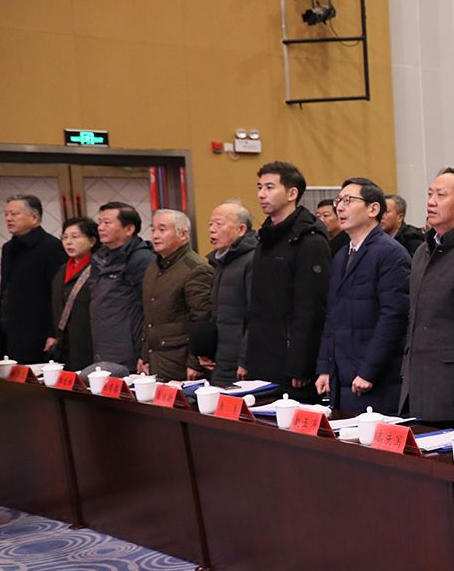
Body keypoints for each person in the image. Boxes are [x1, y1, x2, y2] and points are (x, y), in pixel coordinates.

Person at [316, 178, 411, 414]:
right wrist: (325, 368)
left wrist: (369, 371)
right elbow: (332, 316)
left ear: (373, 209)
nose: (340, 207)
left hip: (376, 379)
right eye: (339, 201)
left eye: (348, 200)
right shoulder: (341, 256)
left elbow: (393, 317)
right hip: (342, 376)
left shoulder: (390, 254)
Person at [402, 168, 454, 424]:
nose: (431, 202)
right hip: (416, 381)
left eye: (440, 195)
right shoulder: (423, 251)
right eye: (430, 194)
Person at [242, 161, 331, 401]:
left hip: (291, 362)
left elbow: (311, 308)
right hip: (262, 354)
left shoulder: (309, 240)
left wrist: (301, 364)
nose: (261, 194)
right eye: (259, 187)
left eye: (270, 187)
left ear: (292, 193)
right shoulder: (265, 237)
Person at [139, 209, 213, 380]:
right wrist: (144, 356)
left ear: (183, 234)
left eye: (162, 229)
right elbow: (149, 318)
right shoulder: (153, 267)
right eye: (153, 229)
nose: (155, 235)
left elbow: (202, 318)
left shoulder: (196, 268)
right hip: (155, 357)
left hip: (180, 360)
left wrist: (194, 363)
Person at [0, 194, 66, 362]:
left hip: (38, 330)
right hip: (9, 327)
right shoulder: (8, 248)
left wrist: (53, 332)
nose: (8, 218)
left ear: (34, 217)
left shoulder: (51, 246)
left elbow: (59, 293)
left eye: (14, 214)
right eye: (6, 214)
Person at [89, 201, 154, 368]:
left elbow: (150, 307)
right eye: (100, 222)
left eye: (107, 222)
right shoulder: (100, 257)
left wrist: (145, 353)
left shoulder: (141, 258)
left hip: (129, 345)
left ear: (129, 229)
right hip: (104, 342)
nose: (101, 228)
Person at [202, 200, 257, 385]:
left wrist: (245, 360)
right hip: (220, 359)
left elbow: (255, 314)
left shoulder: (252, 260)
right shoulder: (220, 262)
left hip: (240, 363)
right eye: (210, 224)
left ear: (241, 229)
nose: (212, 229)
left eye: (219, 224)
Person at [45, 217, 98, 371]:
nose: (68, 242)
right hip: (65, 343)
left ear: (92, 241)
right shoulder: (61, 271)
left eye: (75, 237)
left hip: (88, 341)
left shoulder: (98, 270)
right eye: (65, 237)